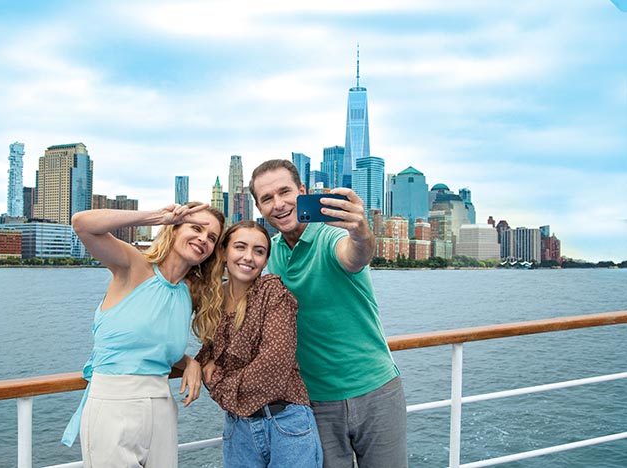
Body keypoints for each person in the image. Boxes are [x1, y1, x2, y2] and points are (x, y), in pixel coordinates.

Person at [248, 160, 407, 468]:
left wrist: (360, 232)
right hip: (316, 403)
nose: (278, 204)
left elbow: (355, 255)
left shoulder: (332, 235)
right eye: (267, 198)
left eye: (285, 192)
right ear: (258, 206)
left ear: (303, 192)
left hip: (376, 392)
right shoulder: (269, 253)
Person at [61, 202, 225, 468]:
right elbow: (82, 224)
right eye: (196, 228)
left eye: (212, 238)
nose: (202, 239)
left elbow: (155, 344)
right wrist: (158, 216)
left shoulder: (189, 292)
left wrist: (189, 363)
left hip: (161, 405)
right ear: (174, 229)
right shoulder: (133, 266)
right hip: (113, 403)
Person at [194, 220, 323, 468]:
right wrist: (196, 363)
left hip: (285, 423)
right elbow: (207, 356)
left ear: (265, 261)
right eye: (240, 247)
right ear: (223, 252)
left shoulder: (272, 294)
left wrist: (220, 387)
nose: (248, 257)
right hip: (238, 428)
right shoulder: (213, 301)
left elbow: (273, 364)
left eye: (259, 251)